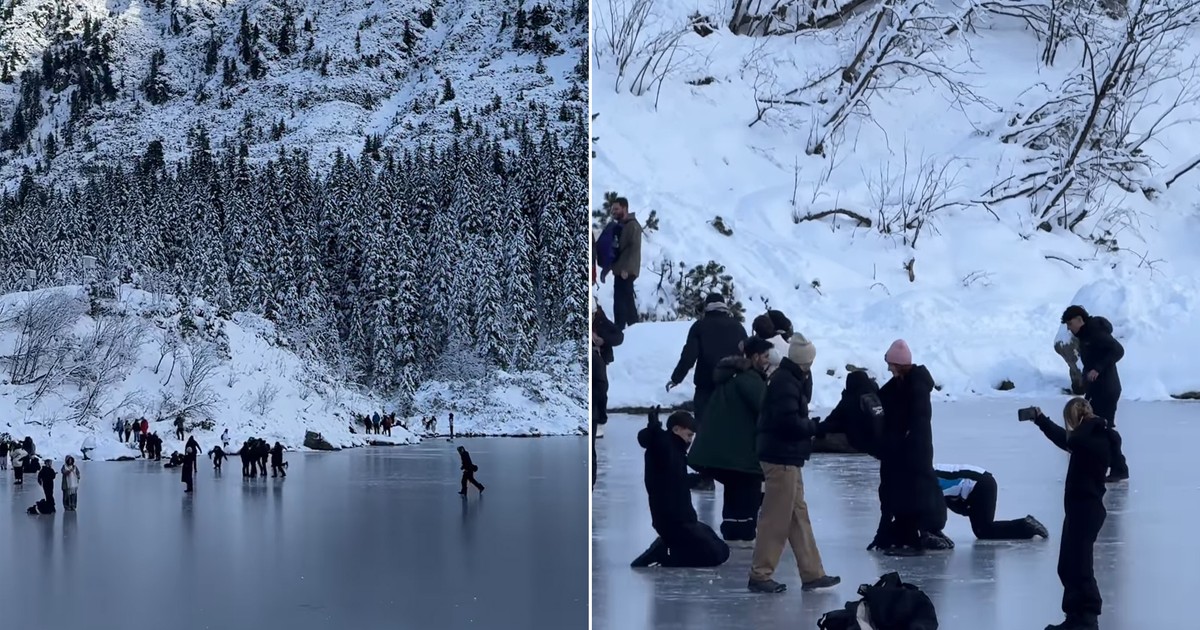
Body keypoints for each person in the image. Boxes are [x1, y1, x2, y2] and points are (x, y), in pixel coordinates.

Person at [748, 335, 840, 594]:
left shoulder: (791, 379)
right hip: (780, 458)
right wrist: (816, 428)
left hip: (787, 457)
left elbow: (798, 405)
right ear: (805, 361)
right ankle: (760, 574)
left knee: (798, 517)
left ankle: (812, 573)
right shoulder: (784, 384)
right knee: (775, 519)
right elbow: (787, 423)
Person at [1026, 398, 1113, 630]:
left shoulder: (1096, 438)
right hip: (1078, 510)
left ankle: (1087, 617)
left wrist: (1090, 421)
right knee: (1067, 565)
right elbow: (1066, 440)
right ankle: (1075, 616)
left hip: (1087, 510)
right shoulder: (1085, 439)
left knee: (1080, 565)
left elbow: (1075, 440)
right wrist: (1041, 420)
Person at [686, 337, 772, 544]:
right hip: (738, 452)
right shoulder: (750, 379)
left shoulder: (733, 376)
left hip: (722, 450)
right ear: (755, 357)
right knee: (748, 486)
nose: (769, 361)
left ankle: (733, 530)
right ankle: (743, 533)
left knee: (735, 489)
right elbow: (767, 409)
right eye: (766, 356)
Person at [668, 292, 748, 490]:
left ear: (707, 307)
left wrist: (676, 377)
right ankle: (737, 476)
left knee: (704, 430)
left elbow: (689, 355)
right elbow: (747, 355)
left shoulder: (700, 326)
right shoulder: (738, 327)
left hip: (706, 386)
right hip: (731, 386)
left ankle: (707, 477)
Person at [630, 408, 730, 568]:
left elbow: (678, 480)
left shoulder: (676, 450)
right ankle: (665, 553)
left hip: (685, 518)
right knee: (714, 555)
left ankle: (667, 546)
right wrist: (653, 430)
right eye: (689, 435)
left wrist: (704, 475)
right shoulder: (664, 446)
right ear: (676, 430)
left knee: (722, 550)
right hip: (672, 521)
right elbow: (653, 443)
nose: (690, 440)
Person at [874, 339, 947, 557]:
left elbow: (917, 421)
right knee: (904, 493)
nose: (888, 369)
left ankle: (915, 540)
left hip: (916, 453)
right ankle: (906, 536)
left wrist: (904, 440)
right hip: (908, 451)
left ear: (899, 365)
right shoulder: (903, 384)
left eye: (891, 365)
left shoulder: (916, 388)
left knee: (914, 495)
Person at [1060, 306, 1128, 482]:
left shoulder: (1095, 332)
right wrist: (1086, 376)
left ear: (1079, 320)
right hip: (1097, 388)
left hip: (1107, 389)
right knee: (1097, 426)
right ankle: (1106, 465)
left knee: (1103, 428)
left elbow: (1118, 350)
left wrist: (1098, 368)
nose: (1068, 328)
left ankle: (1118, 468)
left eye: (1070, 323)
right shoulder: (1085, 335)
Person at [935, 464, 1049, 540]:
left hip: (979, 485)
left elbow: (933, 510)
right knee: (982, 529)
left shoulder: (927, 481)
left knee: (984, 531)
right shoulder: (927, 472)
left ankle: (1025, 526)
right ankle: (1025, 525)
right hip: (980, 482)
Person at [598, 196, 643, 330]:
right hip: (620, 270)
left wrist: (626, 270)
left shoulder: (632, 225)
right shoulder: (621, 226)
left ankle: (626, 329)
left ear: (625, 208)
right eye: (613, 209)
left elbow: (633, 248)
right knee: (623, 301)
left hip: (625, 271)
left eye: (617, 209)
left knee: (623, 302)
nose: (614, 212)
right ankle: (627, 329)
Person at [593, 305, 624, 442]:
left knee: (601, 388)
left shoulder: (600, 319)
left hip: (600, 357)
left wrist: (604, 340)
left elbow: (618, 336)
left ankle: (600, 420)